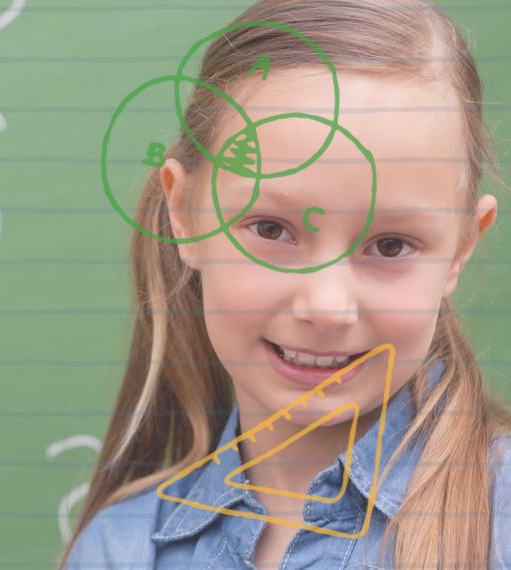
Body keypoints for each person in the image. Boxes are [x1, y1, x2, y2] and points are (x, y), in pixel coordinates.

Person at [63, 0, 511, 567]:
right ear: (185, 212)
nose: (326, 307)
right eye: (271, 228)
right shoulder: (118, 551)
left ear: (461, 249)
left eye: (391, 245)